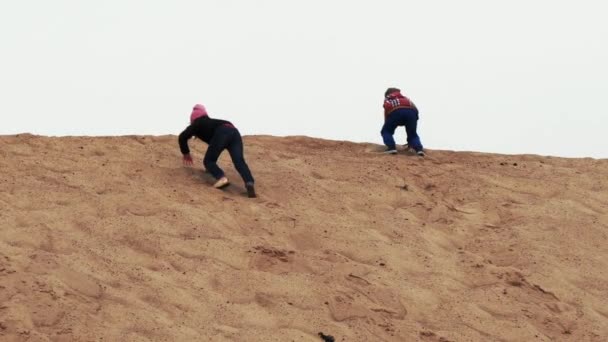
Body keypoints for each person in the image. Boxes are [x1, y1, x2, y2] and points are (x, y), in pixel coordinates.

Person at [178, 104, 257, 198]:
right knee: (239, 161)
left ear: (193, 119)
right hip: (234, 132)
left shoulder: (197, 123)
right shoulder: (211, 123)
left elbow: (182, 137)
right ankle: (249, 182)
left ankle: (221, 178)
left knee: (208, 161)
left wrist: (186, 153)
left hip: (222, 132)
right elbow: (214, 147)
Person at [380, 87, 425, 156]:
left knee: (386, 131)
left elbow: (386, 108)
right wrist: (414, 121)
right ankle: (419, 149)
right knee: (412, 134)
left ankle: (391, 148)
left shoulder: (388, 98)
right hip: (411, 113)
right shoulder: (406, 98)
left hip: (395, 111)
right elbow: (415, 109)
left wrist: (387, 123)